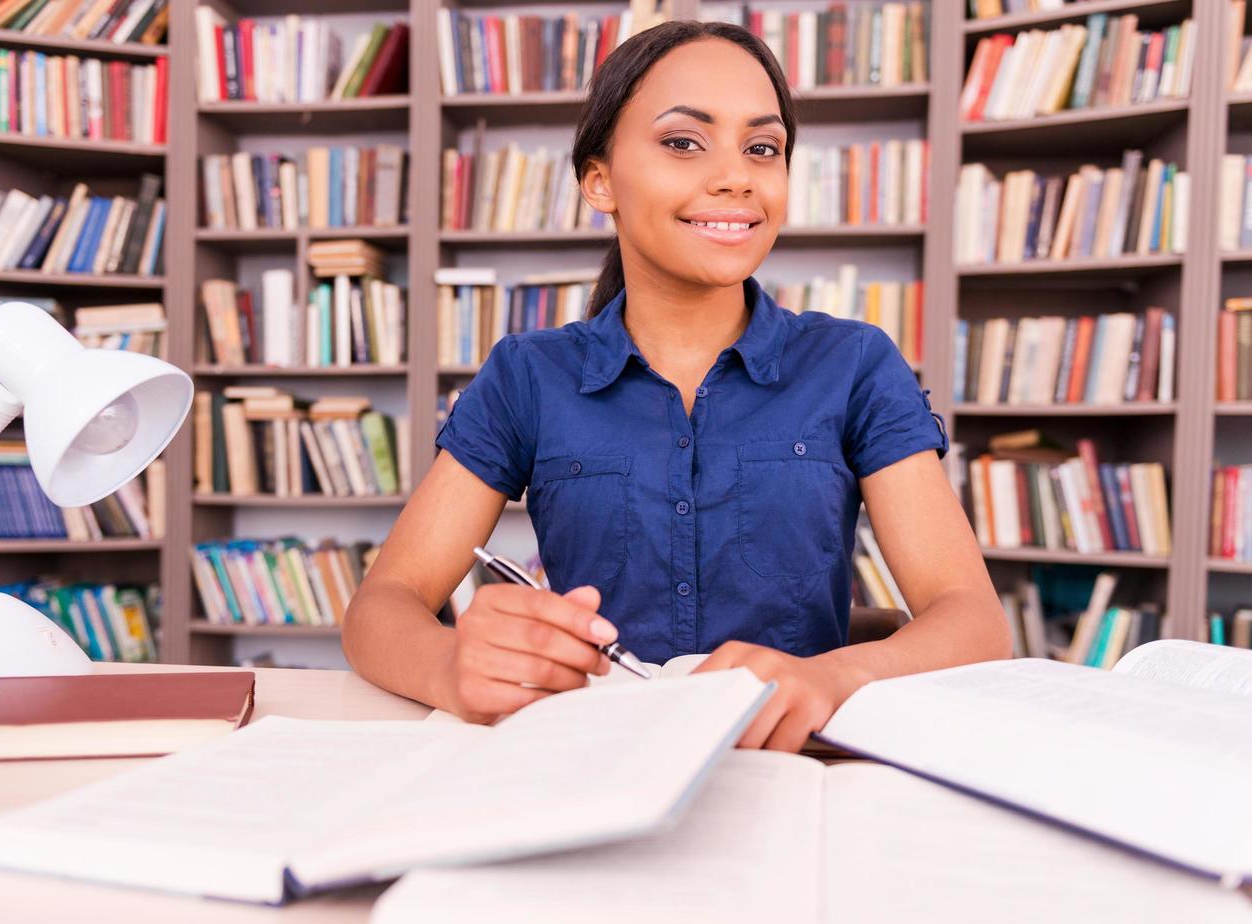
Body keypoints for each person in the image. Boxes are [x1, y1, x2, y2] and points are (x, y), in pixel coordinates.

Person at [343, 19, 1010, 752]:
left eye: (763, 148)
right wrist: (450, 663)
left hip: (791, 766)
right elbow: (384, 604)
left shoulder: (852, 363)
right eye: (683, 142)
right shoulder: (529, 375)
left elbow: (971, 619)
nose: (736, 176)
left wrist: (832, 679)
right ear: (599, 180)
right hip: (591, 756)